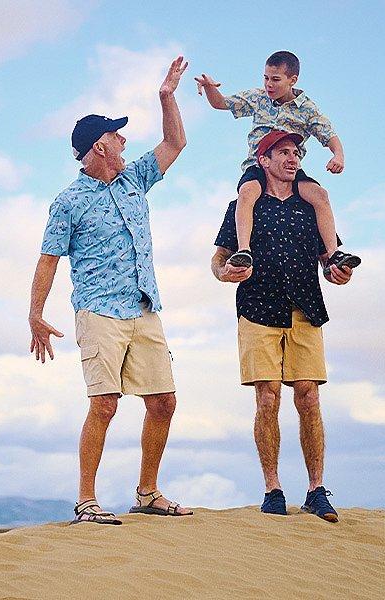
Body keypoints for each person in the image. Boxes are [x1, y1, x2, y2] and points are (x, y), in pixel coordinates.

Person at [29, 56, 194, 525]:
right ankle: (86, 502)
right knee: (104, 404)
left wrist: (168, 96)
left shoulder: (135, 178)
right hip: (98, 313)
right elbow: (48, 259)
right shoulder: (68, 201)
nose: (125, 140)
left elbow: (175, 141)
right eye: (118, 135)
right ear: (100, 146)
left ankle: (147, 492)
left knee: (164, 401)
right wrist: (35, 313)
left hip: (144, 308)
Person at [211, 130, 354, 522]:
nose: (293, 158)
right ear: (265, 161)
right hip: (257, 308)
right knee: (267, 397)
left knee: (308, 397)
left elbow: (330, 259)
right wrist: (226, 273)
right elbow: (219, 258)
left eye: (296, 152)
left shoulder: (312, 206)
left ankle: (315, 490)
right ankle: (272, 488)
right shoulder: (243, 205)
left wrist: (337, 272)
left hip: (305, 308)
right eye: (283, 153)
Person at [196, 50, 360, 276]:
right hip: (258, 164)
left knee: (320, 195)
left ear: (292, 80)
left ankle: (333, 253)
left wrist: (338, 155)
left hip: (291, 169)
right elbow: (221, 104)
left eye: (275, 79)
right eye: (265, 78)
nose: (268, 85)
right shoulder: (258, 98)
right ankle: (244, 249)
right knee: (247, 191)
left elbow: (329, 135)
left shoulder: (307, 109)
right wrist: (209, 88)